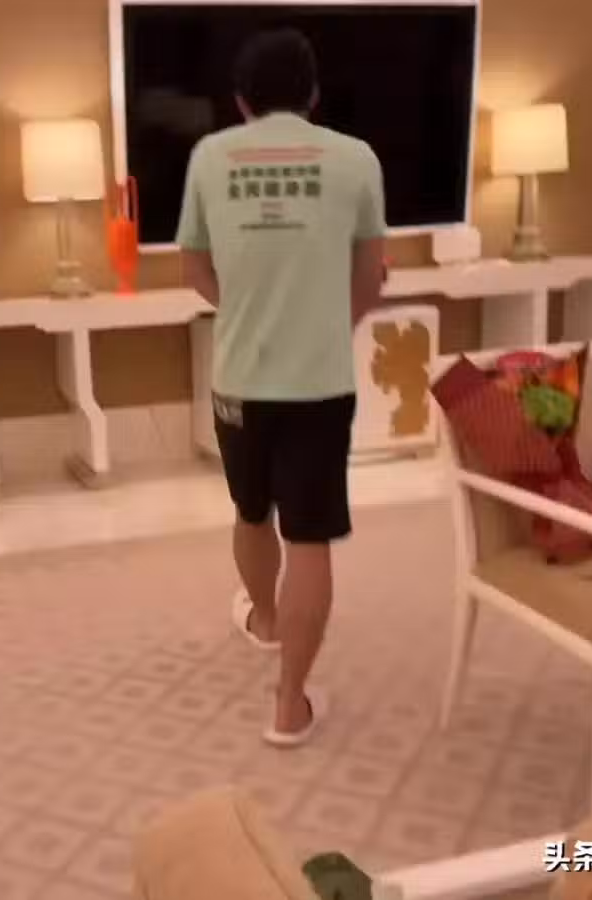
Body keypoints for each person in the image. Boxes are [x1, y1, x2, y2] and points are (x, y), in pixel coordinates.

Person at [176, 28, 386, 747]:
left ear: (241, 101)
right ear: (313, 94)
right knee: (310, 536)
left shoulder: (210, 157)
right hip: (319, 384)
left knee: (251, 509)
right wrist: (330, 325)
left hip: (239, 381)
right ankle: (289, 704)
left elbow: (193, 268)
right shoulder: (356, 159)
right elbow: (371, 276)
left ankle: (266, 621)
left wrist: (238, 308)